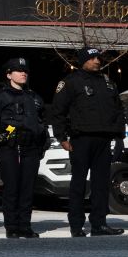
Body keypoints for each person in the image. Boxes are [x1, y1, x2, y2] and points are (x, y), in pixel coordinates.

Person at [50, 46, 126, 237]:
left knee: (101, 184)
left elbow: (118, 111)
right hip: (81, 139)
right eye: (93, 59)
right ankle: (76, 225)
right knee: (78, 183)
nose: (97, 61)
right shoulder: (71, 82)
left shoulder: (108, 83)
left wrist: (119, 136)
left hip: (104, 140)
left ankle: (99, 224)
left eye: (98, 58)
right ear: (83, 60)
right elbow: (57, 112)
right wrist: (62, 138)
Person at [0, 57, 49, 239]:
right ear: (8, 74)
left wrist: (43, 145)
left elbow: (42, 123)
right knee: (12, 189)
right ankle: (11, 226)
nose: (23, 73)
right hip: (9, 148)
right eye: (18, 71)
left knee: (27, 189)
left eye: (25, 71)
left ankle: (25, 226)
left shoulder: (34, 97)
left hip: (31, 149)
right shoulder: (0, 96)